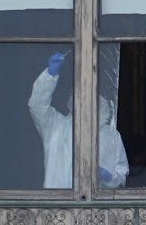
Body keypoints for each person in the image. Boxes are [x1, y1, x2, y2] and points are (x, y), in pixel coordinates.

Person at [28, 51, 129, 189]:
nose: (83, 100)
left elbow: (121, 175)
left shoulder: (111, 135)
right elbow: (37, 105)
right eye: (77, 95)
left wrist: (108, 177)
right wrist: (49, 75)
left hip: (96, 207)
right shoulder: (55, 125)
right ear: (69, 103)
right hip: (58, 206)